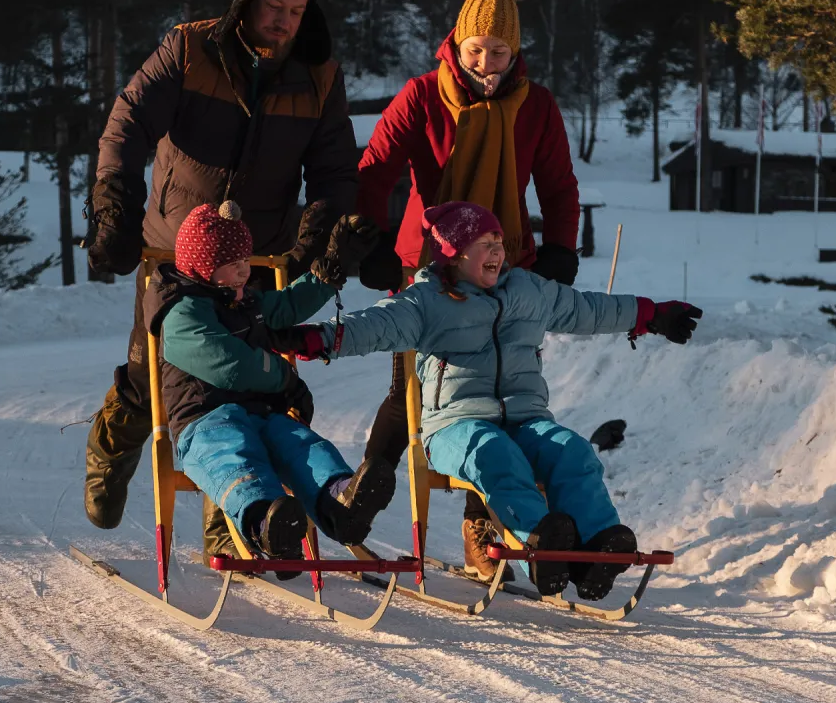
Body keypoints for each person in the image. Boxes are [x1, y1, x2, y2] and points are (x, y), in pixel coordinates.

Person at [81, 0, 360, 558]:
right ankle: (110, 449)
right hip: (174, 254)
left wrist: (321, 233)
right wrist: (113, 204)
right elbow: (127, 124)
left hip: (260, 253)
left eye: (295, 9)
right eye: (272, 3)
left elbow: (337, 168)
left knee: (244, 393)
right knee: (149, 377)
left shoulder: (318, 74)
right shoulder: (189, 49)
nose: (282, 19)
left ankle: (232, 520)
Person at [272, 202, 702, 600]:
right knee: (497, 454)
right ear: (455, 255)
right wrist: (318, 339)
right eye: (485, 245)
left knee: (571, 449)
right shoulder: (427, 300)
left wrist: (651, 314)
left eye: (499, 242)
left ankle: (597, 546)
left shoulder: (528, 291)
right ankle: (538, 538)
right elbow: (374, 326)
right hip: (455, 425)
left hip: (526, 416)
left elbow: (588, 309)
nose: (497, 251)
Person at [351, 0, 609, 581]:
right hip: (427, 267)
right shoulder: (420, 96)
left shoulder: (536, 107)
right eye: (474, 49)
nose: (485, 64)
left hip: (503, 267)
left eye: (498, 51)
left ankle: (482, 523)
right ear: (455, 44)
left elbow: (559, 185)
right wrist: (372, 240)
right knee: (410, 388)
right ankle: (361, 494)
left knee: (496, 395)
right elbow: (376, 169)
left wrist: (561, 250)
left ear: (514, 50)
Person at [144, 201, 391, 572]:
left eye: (245, 258)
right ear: (203, 268)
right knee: (233, 456)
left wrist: (330, 270)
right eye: (233, 264)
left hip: (261, 412)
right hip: (205, 421)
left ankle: (341, 503)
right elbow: (229, 365)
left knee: (302, 446)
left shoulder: (241, 299)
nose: (245, 269)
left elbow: (287, 306)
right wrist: (285, 378)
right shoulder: (180, 313)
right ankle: (267, 524)